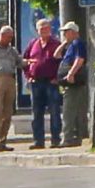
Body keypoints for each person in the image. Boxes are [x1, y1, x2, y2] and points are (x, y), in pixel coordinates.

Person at [21, 16, 63, 150]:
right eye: (41, 28)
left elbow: (62, 63)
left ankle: (55, 140)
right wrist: (28, 76)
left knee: (54, 111)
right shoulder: (33, 44)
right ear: (37, 30)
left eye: (46, 28)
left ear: (50, 29)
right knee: (36, 113)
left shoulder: (56, 44)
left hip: (51, 82)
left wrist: (57, 78)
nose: (44, 30)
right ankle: (38, 141)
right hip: (36, 83)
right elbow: (25, 61)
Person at [57, 19, 90, 147]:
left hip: (73, 83)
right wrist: (65, 43)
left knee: (69, 111)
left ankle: (68, 138)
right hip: (69, 84)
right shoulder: (70, 45)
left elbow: (79, 59)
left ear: (72, 32)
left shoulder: (78, 43)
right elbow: (56, 55)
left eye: (66, 32)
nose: (64, 35)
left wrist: (71, 73)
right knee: (73, 111)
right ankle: (74, 137)